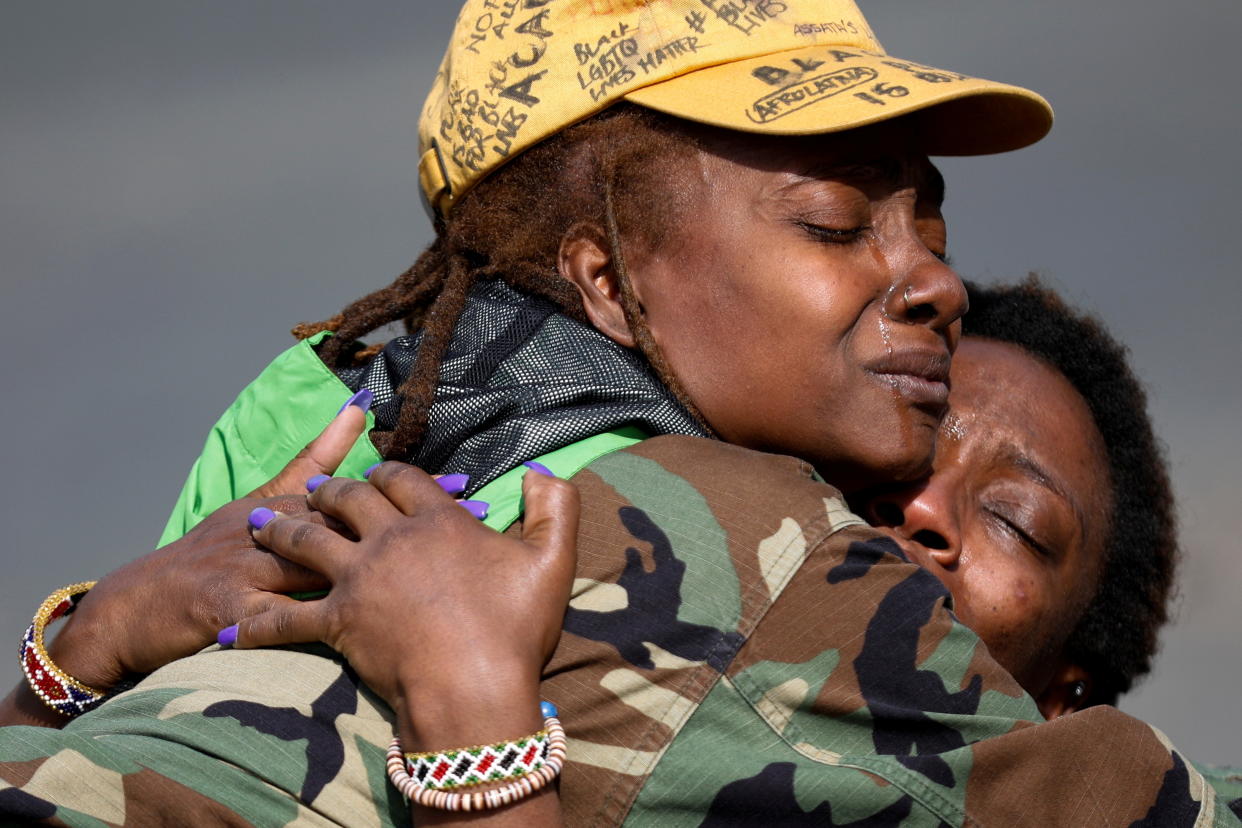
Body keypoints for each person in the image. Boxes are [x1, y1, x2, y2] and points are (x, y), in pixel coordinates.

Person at [0, 0, 1234, 823]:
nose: (937, 281)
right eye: (837, 223)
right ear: (604, 275)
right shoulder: (756, 550)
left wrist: (65, 659)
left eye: (929, 216)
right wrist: (473, 723)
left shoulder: (304, 436)